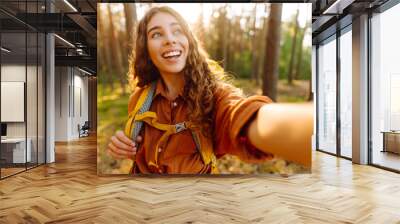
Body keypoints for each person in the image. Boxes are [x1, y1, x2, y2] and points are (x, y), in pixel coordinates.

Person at [107, 6, 313, 174]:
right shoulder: (139, 99)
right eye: (157, 34)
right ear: (146, 48)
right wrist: (125, 145)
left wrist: (301, 128)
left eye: (177, 30)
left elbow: (240, 115)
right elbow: (139, 153)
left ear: (188, 41)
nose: (170, 39)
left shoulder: (213, 96)